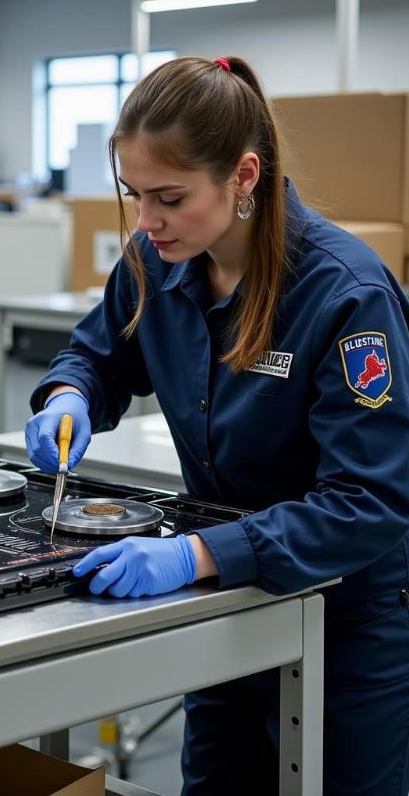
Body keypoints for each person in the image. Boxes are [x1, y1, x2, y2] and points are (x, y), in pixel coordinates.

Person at [26, 56, 409, 794]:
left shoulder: (344, 294)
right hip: (228, 604)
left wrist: (197, 553)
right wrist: (68, 397)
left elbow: (371, 501)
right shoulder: (154, 261)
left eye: (169, 197)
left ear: (243, 176)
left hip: (346, 623)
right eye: (133, 195)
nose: (146, 221)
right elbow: (98, 358)